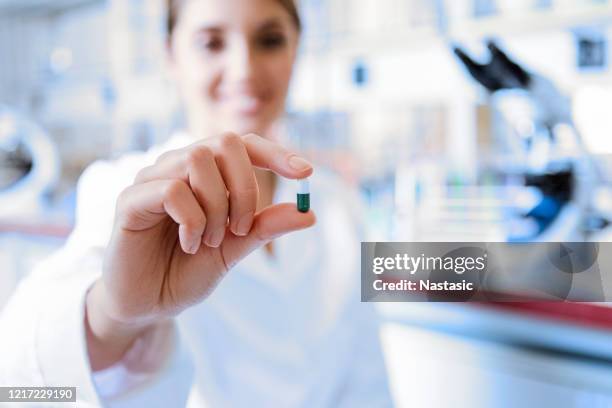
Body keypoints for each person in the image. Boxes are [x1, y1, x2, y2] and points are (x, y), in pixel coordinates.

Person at [0, 0, 393, 406]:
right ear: (172, 55)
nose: (244, 71)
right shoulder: (126, 192)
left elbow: (368, 382)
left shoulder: (338, 206)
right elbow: (18, 382)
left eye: (270, 40)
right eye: (211, 43)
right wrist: (113, 316)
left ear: (296, 49)